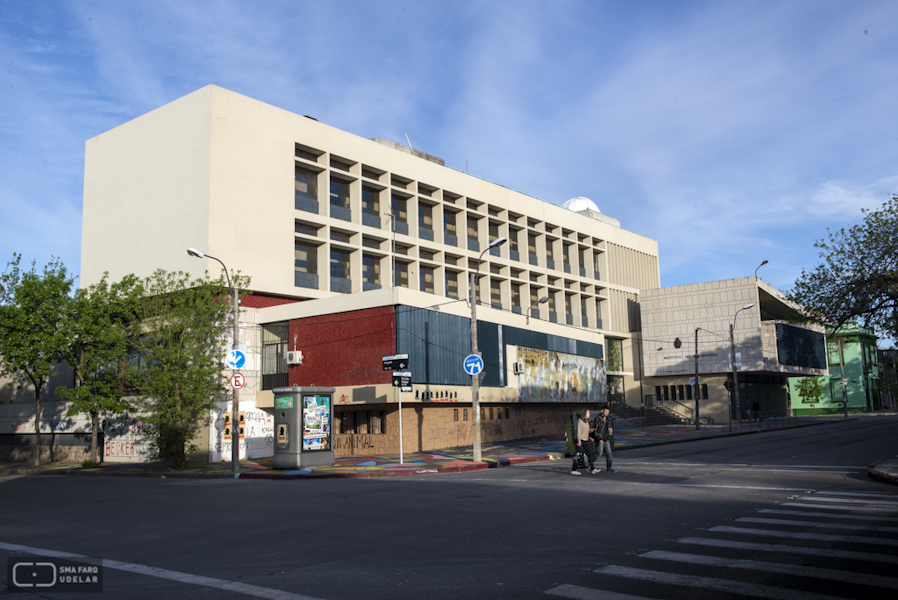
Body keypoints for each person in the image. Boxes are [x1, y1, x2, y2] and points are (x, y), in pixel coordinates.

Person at [571, 409, 600, 475]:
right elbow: (578, 431)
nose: (589, 414)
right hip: (581, 440)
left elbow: (586, 430)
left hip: (586, 439)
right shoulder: (580, 421)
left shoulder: (587, 421)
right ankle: (573, 469)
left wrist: (591, 430)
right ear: (585, 414)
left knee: (590, 453)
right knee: (577, 455)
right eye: (588, 413)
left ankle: (592, 468)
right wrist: (579, 441)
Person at [594, 406, 616, 473]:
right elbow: (595, 430)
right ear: (602, 410)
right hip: (600, 438)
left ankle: (609, 468)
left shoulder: (608, 419)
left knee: (609, 453)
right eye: (606, 412)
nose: (607, 413)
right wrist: (599, 438)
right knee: (599, 453)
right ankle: (590, 462)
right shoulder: (598, 419)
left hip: (606, 438)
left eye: (608, 412)